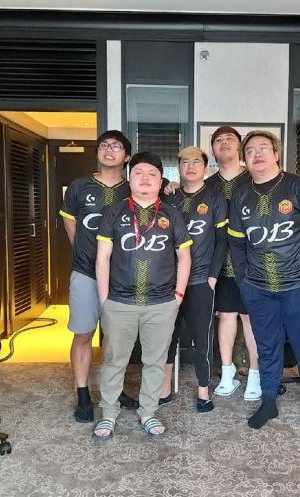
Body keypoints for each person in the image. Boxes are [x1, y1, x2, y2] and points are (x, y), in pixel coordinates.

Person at [228, 130, 300, 431]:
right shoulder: (241, 194)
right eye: (250, 151)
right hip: (258, 289)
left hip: (298, 286)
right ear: (245, 159)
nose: (257, 154)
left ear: (276, 154)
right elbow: (236, 242)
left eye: (263, 148)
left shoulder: (296, 186)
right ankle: (268, 402)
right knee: (267, 348)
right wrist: (244, 280)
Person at [93, 151, 192, 440]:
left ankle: (148, 412)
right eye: (139, 173)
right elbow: (102, 257)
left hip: (161, 303)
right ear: (130, 178)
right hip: (119, 302)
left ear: (161, 181)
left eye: (152, 174)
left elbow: (184, 257)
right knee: (114, 360)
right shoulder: (114, 212)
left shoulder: (172, 214)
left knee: (155, 362)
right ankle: (109, 414)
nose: (145, 179)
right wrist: (104, 299)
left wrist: (178, 296)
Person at [60, 130, 140, 422]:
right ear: (97, 152)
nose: (109, 150)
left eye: (116, 146)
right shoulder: (79, 187)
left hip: (121, 276)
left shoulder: (133, 188)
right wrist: (87, 255)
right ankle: (83, 395)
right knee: (83, 334)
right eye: (104, 145)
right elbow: (70, 225)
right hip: (85, 272)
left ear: (127, 156)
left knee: (115, 337)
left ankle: (112, 389)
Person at [159, 146, 228, 412]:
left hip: (201, 280)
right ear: (178, 167)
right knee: (167, 335)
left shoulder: (214, 198)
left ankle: (203, 390)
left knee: (202, 337)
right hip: (169, 281)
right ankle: (164, 388)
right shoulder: (169, 197)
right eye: (185, 162)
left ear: (205, 167)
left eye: (196, 162)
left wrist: (213, 277)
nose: (190, 166)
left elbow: (222, 241)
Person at [205, 126, 261, 401]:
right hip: (220, 262)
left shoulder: (254, 178)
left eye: (229, 139)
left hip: (252, 262)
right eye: (218, 140)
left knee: (251, 318)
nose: (224, 143)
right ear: (213, 150)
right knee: (226, 316)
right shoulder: (208, 184)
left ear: (239, 147)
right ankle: (227, 373)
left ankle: (255, 375)